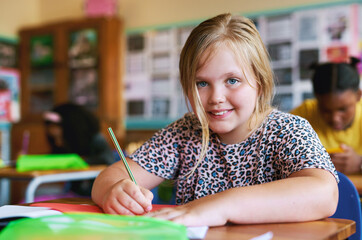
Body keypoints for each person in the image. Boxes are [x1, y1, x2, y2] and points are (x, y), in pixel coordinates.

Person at [92, 13, 338, 227]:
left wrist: (221, 206)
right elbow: (107, 178)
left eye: (232, 80)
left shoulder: (288, 130)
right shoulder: (185, 133)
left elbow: (324, 194)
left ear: (260, 84)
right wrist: (115, 191)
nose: (216, 98)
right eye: (201, 83)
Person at [291, 58, 362, 175]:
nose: (335, 118)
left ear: (358, 95)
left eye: (343, 109)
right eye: (325, 110)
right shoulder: (302, 116)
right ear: (316, 98)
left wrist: (360, 163)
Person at [44, 102, 115, 196]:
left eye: (55, 126)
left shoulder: (96, 139)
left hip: (96, 191)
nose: (50, 130)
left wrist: (78, 161)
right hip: (76, 191)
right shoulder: (66, 141)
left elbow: (107, 160)